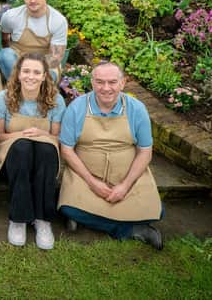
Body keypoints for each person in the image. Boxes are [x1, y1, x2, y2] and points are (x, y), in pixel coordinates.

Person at [58, 61, 164, 250]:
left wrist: (125, 186)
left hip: (125, 176)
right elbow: (66, 149)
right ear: (92, 83)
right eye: (100, 82)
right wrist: (92, 182)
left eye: (112, 82)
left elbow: (145, 152)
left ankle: (85, 219)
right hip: (86, 177)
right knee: (67, 207)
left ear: (122, 83)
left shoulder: (137, 109)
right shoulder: (76, 108)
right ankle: (131, 230)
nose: (106, 88)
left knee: (158, 211)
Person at [0, 54, 66, 249]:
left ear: (44, 76)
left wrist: (42, 133)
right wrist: (21, 135)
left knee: (45, 149)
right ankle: (18, 219)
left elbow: (57, 138)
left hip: (43, 150)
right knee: (23, 147)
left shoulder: (56, 100)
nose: (30, 76)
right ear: (18, 74)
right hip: (13, 150)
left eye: (36, 72)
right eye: (26, 71)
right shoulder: (3, 98)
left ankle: (42, 220)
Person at [0, 0, 67, 81]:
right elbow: (4, 40)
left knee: (51, 75)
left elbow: (55, 58)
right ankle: (19, 89)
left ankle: (22, 91)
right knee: (4, 55)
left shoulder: (58, 20)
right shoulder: (11, 16)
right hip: (18, 62)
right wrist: (23, 71)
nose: (32, 0)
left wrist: (33, 72)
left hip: (44, 64)